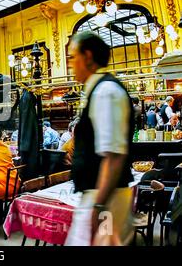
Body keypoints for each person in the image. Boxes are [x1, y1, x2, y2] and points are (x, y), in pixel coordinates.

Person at [65, 31, 134, 246]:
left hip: (106, 199)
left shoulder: (105, 91)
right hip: (100, 197)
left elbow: (113, 157)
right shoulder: (97, 89)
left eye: (73, 57)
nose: (70, 64)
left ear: (87, 56)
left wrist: (98, 207)